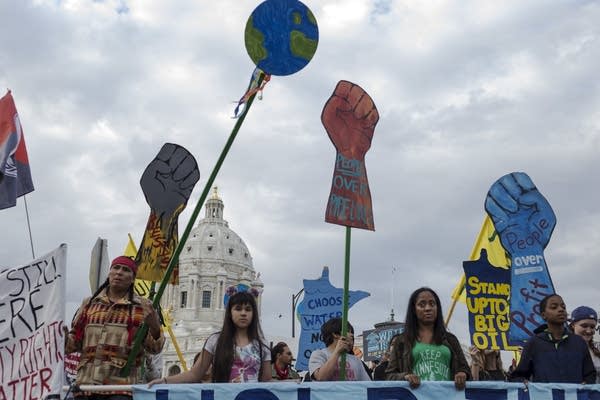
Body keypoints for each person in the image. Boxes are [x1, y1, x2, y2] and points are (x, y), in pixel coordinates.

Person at [65, 256, 165, 400]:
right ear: (109, 273)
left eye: (125, 270)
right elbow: (74, 344)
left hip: (120, 389)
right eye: (115, 268)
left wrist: (155, 326)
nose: (119, 272)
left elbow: (155, 349)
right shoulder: (89, 303)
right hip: (85, 387)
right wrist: (63, 338)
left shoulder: (143, 307)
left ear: (132, 278)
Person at [148, 289, 271, 385]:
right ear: (230, 312)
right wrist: (164, 381)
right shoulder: (215, 341)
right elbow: (195, 374)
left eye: (248, 309)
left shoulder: (262, 346)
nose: (243, 313)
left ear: (253, 314)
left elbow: (266, 382)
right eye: (238, 309)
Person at [385, 287, 470, 389]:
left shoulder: (451, 339)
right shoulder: (402, 341)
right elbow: (389, 376)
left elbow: (465, 369)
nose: (428, 308)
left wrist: (462, 374)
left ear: (437, 308)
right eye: (422, 304)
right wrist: (405, 377)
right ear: (414, 310)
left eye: (432, 304)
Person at [509, 294, 596, 383]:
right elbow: (518, 376)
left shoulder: (579, 342)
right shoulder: (534, 343)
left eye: (563, 307)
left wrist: (586, 384)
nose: (561, 309)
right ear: (543, 315)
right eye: (554, 307)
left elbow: (590, 374)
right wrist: (524, 382)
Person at [569, 305, 600, 383]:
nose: (589, 331)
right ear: (573, 325)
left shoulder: (597, 349)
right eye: (584, 326)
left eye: (592, 327)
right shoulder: (563, 348)